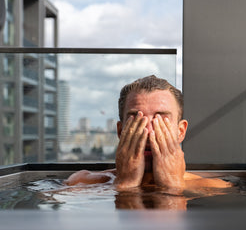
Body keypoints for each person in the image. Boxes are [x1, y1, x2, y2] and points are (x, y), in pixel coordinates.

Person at [65, 75, 231, 191]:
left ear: (180, 131)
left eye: (161, 120)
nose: (149, 131)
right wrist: (125, 184)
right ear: (121, 131)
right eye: (137, 120)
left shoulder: (215, 188)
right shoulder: (81, 182)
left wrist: (173, 186)